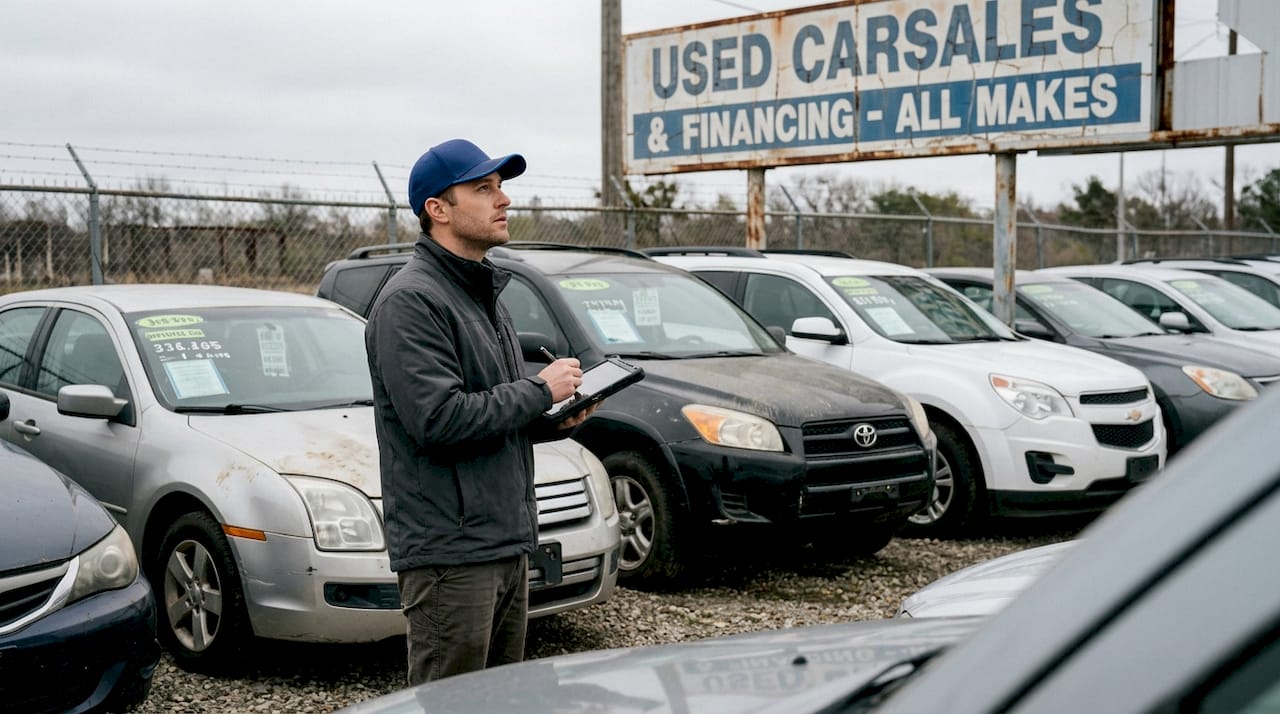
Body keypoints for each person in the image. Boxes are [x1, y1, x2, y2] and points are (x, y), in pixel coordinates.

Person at [365, 138, 597, 685]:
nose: (503, 200)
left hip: (504, 538)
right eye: (484, 188)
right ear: (437, 210)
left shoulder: (480, 292)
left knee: (499, 699)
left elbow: (486, 409)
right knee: (453, 701)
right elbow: (438, 420)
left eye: (501, 187)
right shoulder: (411, 301)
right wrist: (539, 391)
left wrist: (547, 421)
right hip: (451, 553)